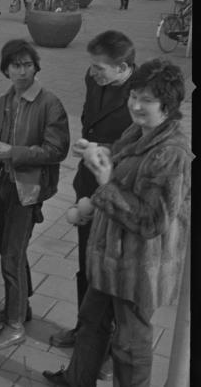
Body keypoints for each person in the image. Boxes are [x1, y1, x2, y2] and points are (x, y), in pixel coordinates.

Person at [43, 58, 190, 387]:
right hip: (110, 258)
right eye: (133, 96)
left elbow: (152, 221)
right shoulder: (139, 130)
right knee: (91, 322)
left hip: (138, 269)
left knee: (130, 346)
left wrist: (106, 183)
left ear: (167, 106)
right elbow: (125, 160)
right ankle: (77, 380)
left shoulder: (171, 153)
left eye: (146, 100)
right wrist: (98, 150)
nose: (135, 105)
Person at [46, 30, 136, 382]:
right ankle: (85, 330)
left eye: (101, 68)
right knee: (86, 264)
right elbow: (90, 118)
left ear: (123, 68)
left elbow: (139, 150)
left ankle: (108, 345)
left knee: (108, 273)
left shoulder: (140, 96)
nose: (93, 73)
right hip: (88, 183)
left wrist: (102, 150)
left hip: (117, 191)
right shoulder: (93, 77)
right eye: (92, 66)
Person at [0, 39, 70, 351]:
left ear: (36, 67)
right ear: (6, 69)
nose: (22, 71)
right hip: (3, 182)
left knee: (12, 255)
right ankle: (19, 307)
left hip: (27, 189)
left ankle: (14, 325)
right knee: (9, 249)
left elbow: (56, 150)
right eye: (15, 65)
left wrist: (12, 152)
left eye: (27, 64)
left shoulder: (49, 103)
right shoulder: (6, 99)